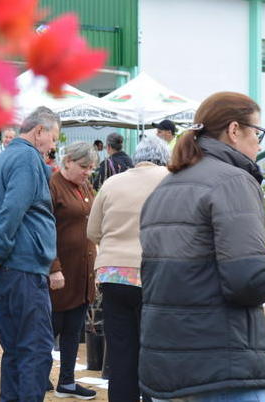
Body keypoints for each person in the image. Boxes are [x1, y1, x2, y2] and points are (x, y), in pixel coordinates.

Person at [138, 92, 265, 400]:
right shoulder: (233, 182)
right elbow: (248, 280)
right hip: (221, 367)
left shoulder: (165, 187)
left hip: (165, 365)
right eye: (257, 132)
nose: (258, 142)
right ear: (233, 130)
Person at [0, 106, 61, 402]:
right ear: (39, 132)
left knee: (14, 349)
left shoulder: (2, 159)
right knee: (35, 349)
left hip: (7, 268)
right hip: (22, 267)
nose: (53, 146)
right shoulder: (26, 158)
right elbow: (13, 209)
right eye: (53, 138)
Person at [87, 136, 170, 402]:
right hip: (155, 275)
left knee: (121, 351)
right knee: (155, 349)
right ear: (165, 157)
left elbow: (92, 231)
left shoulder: (112, 182)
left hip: (113, 275)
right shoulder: (171, 179)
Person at [47, 142, 99, 399]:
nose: (87, 172)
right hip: (60, 273)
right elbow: (44, 231)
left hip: (83, 272)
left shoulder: (85, 187)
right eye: (83, 166)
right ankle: (38, 377)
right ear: (67, 161)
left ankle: (66, 381)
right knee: (51, 328)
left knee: (73, 329)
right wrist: (53, 267)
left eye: (91, 168)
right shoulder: (53, 186)